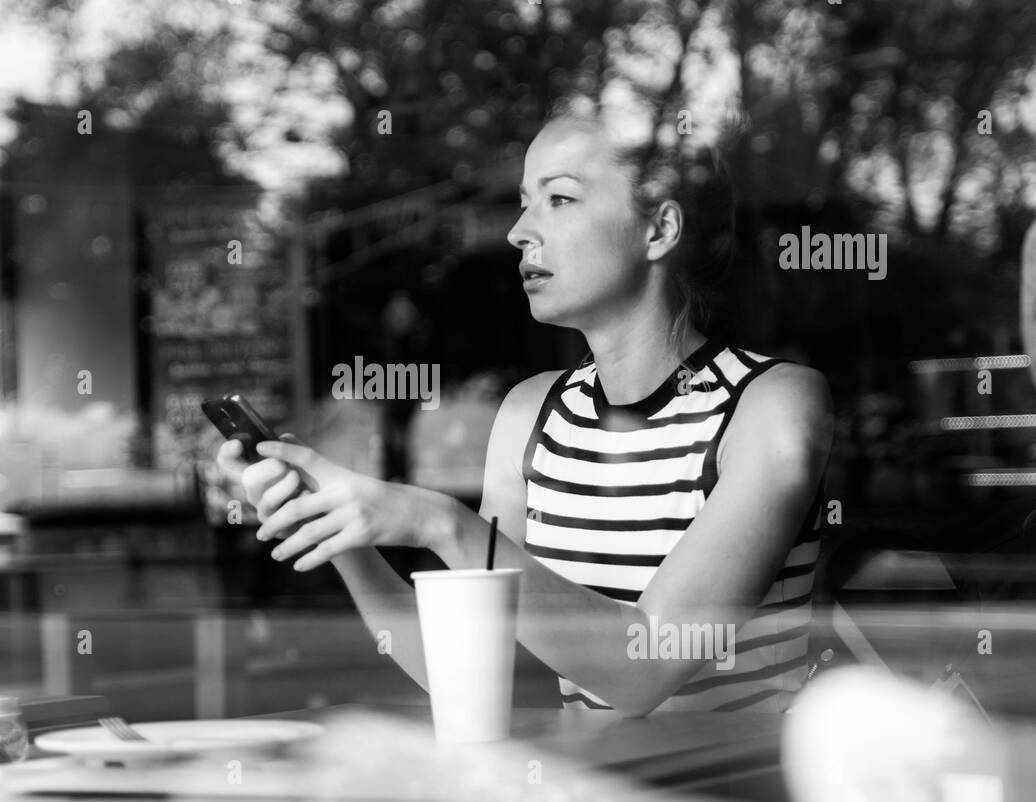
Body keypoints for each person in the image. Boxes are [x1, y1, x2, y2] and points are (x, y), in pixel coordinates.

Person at [216, 100, 834, 716]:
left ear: (659, 230)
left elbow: (645, 668)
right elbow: (469, 670)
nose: (519, 232)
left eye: (558, 200)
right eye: (522, 203)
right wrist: (337, 525)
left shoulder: (772, 404)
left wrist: (443, 524)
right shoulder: (531, 415)